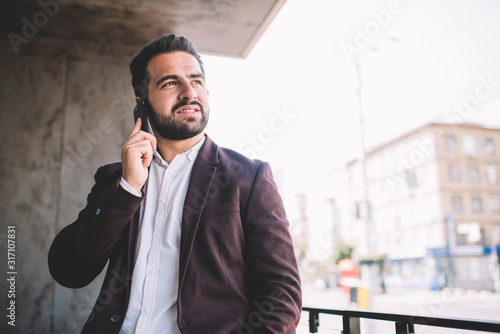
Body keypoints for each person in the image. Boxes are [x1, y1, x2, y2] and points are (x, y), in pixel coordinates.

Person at [48, 34, 302, 334]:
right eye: (170, 83)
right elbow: (69, 270)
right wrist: (128, 189)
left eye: (196, 81)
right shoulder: (114, 180)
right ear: (140, 102)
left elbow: (282, 295)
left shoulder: (248, 177)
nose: (188, 92)